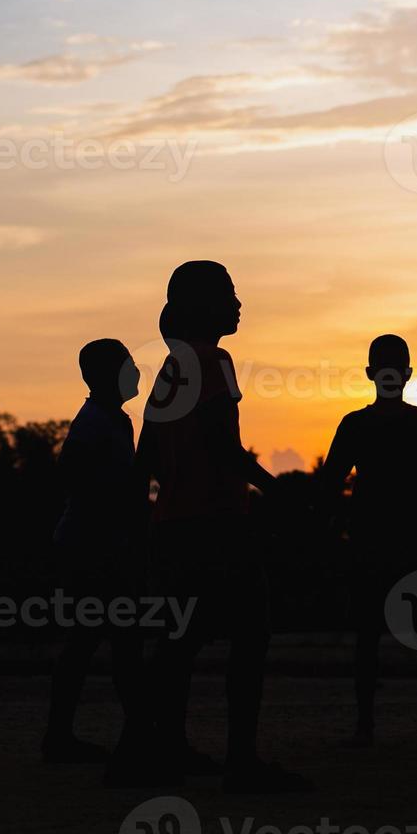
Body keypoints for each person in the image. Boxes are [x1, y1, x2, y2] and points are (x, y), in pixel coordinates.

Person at [136, 260, 312, 793]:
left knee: (180, 642)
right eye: (230, 293)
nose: (239, 303)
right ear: (203, 305)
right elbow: (223, 446)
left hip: (174, 525)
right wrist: (277, 490)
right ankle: (240, 760)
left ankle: (165, 748)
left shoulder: (170, 370)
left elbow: (146, 457)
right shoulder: (216, 362)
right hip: (216, 522)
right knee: (251, 634)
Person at [320, 334, 417, 747]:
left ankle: (368, 727)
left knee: (371, 638)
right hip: (410, 545)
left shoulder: (357, 424)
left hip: (378, 544)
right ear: (407, 374)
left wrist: (328, 535)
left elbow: (330, 487)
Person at [45, 339, 147, 767]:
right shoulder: (93, 423)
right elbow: (73, 473)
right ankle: (136, 735)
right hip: (90, 548)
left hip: (100, 545)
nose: (136, 371)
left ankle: (64, 736)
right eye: (128, 364)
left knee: (95, 641)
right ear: (103, 376)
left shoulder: (116, 421)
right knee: (114, 641)